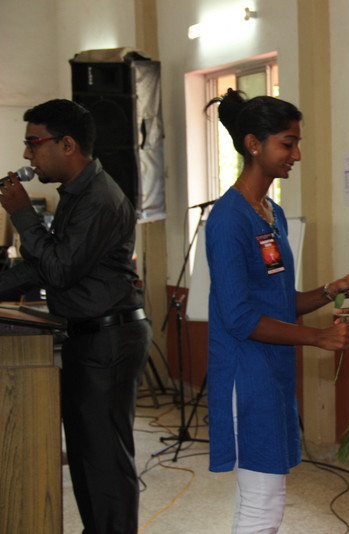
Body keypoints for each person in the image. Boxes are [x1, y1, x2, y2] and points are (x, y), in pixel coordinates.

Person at [204, 89, 349, 533]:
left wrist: (331, 290)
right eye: (287, 143)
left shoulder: (271, 212)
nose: (297, 154)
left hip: (272, 369)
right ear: (254, 144)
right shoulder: (229, 219)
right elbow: (239, 318)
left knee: (264, 500)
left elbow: (277, 302)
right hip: (245, 374)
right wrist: (319, 337)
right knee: (261, 504)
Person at [0, 99, 152, 534]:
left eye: (34, 143)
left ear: (67, 144)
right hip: (89, 337)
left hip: (108, 339)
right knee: (87, 458)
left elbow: (60, 269)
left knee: (105, 461)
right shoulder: (77, 193)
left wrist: (22, 213)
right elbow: (42, 265)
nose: (27, 154)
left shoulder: (99, 198)